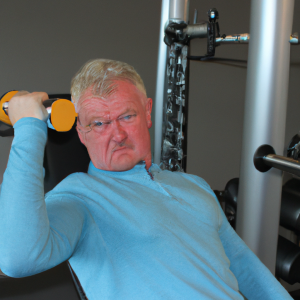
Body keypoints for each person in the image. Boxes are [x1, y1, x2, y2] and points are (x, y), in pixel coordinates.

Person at [0, 59, 292, 300]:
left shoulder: (194, 186)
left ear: (148, 112)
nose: (117, 134)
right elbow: (17, 258)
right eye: (99, 123)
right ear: (81, 132)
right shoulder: (80, 197)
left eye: (127, 116)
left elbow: (245, 269)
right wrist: (28, 129)